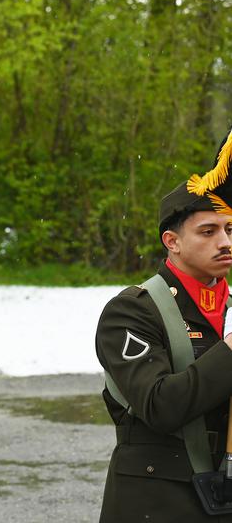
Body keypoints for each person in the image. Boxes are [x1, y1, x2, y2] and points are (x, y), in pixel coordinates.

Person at [96, 170, 232, 522]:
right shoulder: (132, 310)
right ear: (172, 241)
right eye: (208, 231)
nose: (225, 242)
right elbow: (160, 406)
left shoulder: (229, 307)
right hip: (157, 502)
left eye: (229, 230)